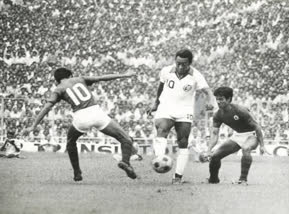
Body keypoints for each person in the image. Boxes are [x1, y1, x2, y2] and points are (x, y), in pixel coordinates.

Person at [22, 68, 138, 181]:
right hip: (96, 112)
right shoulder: (80, 79)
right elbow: (101, 78)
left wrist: (33, 126)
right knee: (125, 138)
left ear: (56, 80)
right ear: (70, 75)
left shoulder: (58, 89)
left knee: (71, 142)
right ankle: (125, 162)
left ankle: (77, 173)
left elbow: (47, 107)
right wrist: (124, 75)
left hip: (81, 117)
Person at [147, 49, 215, 184]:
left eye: (184, 64)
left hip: (185, 110)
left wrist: (211, 102)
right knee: (162, 129)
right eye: (178, 63)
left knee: (183, 141)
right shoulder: (166, 71)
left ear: (190, 63)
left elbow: (208, 91)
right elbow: (160, 88)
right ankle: (160, 159)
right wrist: (156, 103)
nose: (180, 67)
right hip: (166, 107)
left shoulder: (196, 75)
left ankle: (177, 177)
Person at [203, 87, 269, 185]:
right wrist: (208, 150)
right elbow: (214, 134)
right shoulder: (218, 115)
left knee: (246, 148)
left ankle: (243, 180)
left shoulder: (240, 110)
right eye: (217, 99)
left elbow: (257, 127)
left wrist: (262, 145)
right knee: (215, 156)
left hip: (252, 134)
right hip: (238, 135)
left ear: (229, 99)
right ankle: (213, 179)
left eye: (221, 99)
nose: (218, 102)